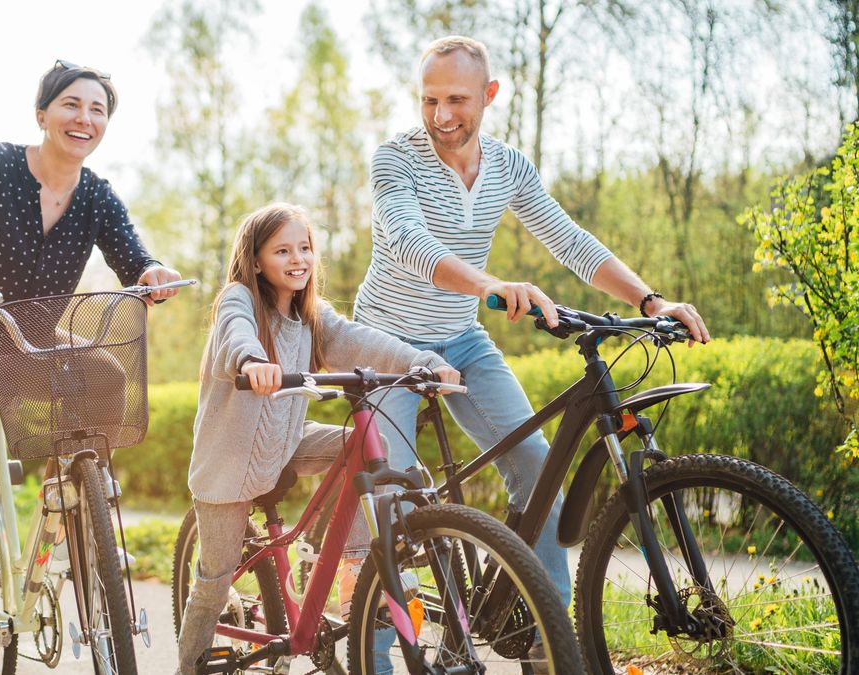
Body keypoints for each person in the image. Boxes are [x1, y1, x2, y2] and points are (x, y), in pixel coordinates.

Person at [351, 35, 710, 668]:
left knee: (538, 467)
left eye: (457, 99)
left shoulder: (509, 167)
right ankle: (375, 659)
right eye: (429, 100)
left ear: (489, 96)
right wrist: (491, 285)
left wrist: (651, 302)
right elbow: (408, 244)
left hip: (462, 337)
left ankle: (552, 646)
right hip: (387, 343)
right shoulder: (394, 160)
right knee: (394, 504)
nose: (441, 116)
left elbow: (569, 241)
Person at [0, 60, 182, 675]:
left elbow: (133, 255)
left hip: (33, 351)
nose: (85, 119)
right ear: (43, 114)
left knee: (110, 375)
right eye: (73, 105)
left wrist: (151, 273)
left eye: (98, 110)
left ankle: (67, 486)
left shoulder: (96, 194)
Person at [176, 203, 463, 674]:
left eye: (305, 248)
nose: (298, 259)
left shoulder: (312, 315)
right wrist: (252, 362)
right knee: (214, 580)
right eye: (283, 250)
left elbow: (358, 340)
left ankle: (353, 569)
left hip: (287, 440)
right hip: (227, 463)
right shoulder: (239, 297)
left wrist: (423, 361)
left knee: (363, 445)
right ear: (255, 261)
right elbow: (234, 334)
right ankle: (185, 668)